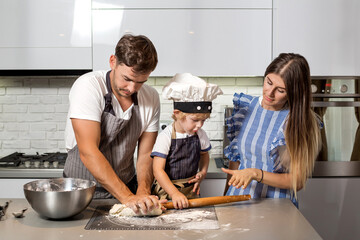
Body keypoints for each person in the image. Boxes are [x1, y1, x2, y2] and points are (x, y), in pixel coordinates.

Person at [63, 34, 163, 214]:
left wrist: (142, 192)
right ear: (112, 61)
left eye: (141, 82)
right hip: (82, 194)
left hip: (126, 189)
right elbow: (88, 151)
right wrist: (129, 197)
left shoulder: (151, 98)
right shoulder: (89, 86)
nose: (132, 88)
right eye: (127, 78)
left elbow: (146, 153)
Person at [222, 53, 321, 207]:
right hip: (238, 202)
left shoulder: (296, 121)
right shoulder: (246, 108)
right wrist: (224, 200)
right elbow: (236, 161)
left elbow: (298, 181)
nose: (270, 93)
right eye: (268, 82)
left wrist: (256, 173)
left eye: (280, 90)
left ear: (294, 93)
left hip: (277, 208)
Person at [151, 73, 223, 209]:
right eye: (195, 120)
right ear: (178, 114)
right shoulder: (165, 137)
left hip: (191, 192)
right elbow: (157, 170)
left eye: (203, 120)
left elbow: (204, 155)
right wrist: (174, 194)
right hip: (166, 193)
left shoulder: (200, 135)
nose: (200, 125)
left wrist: (202, 172)